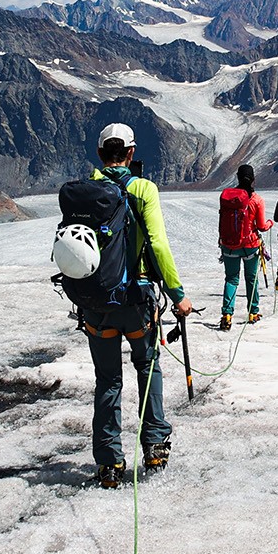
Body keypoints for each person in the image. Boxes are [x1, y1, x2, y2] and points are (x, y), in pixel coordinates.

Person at [81, 123, 194, 489]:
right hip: (136, 302)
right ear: (131, 153)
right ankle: (155, 446)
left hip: (96, 303)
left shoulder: (86, 192)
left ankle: (109, 462)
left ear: (100, 155)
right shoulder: (142, 189)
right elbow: (158, 245)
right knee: (148, 369)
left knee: (108, 380)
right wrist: (177, 295)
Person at [217, 163, 272, 330]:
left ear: (237, 178)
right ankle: (253, 312)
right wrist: (270, 223)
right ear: (253, 179)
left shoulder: (226, 197)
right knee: (251, 278)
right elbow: (262, 226)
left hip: (229, 245)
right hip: (250, 246)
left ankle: (227, 315)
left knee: (231, 279)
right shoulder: (257, 200)